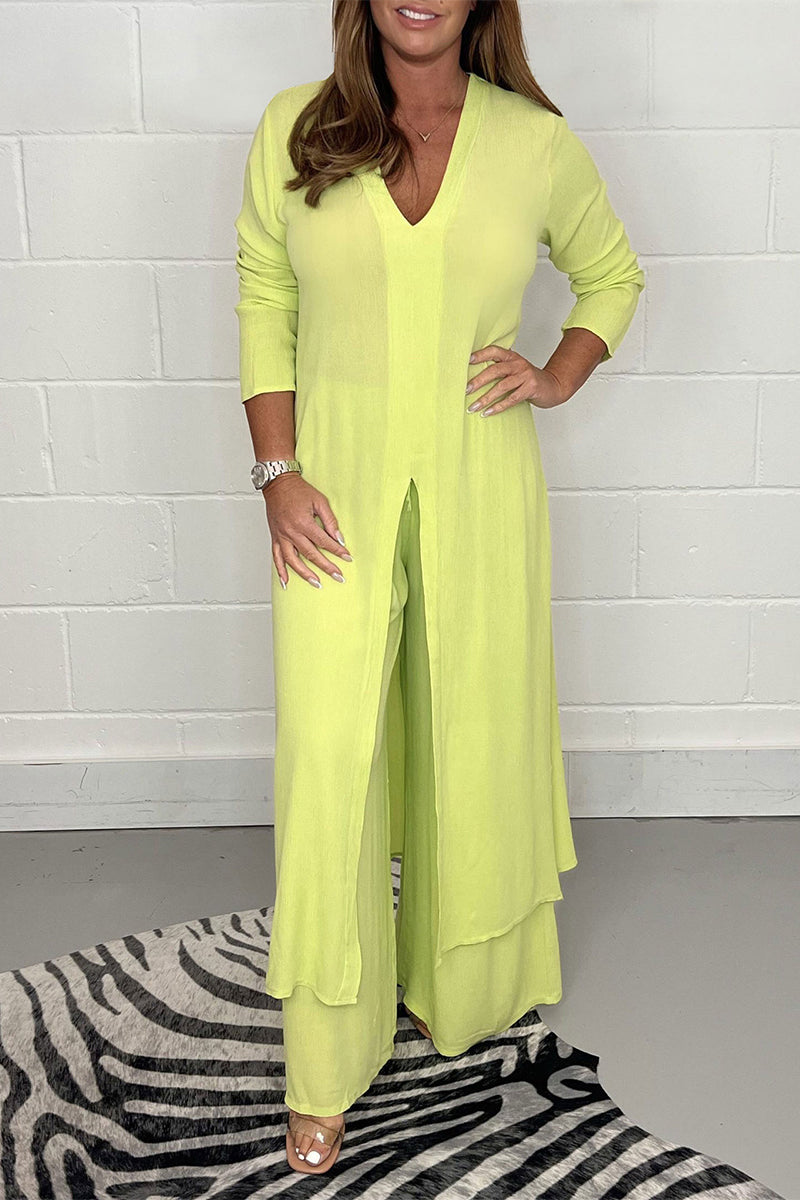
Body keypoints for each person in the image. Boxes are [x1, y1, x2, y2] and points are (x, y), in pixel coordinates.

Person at [233, 0, 644, 1176]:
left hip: (481, 490)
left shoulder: (532, 142)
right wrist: (276, 473)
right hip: (332, 495)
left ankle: (455, 990)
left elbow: (611, 277)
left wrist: (554, 374)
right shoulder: (295, 128)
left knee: (471, 739)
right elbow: (265, 295)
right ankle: (324, 1062)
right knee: (330, 765)